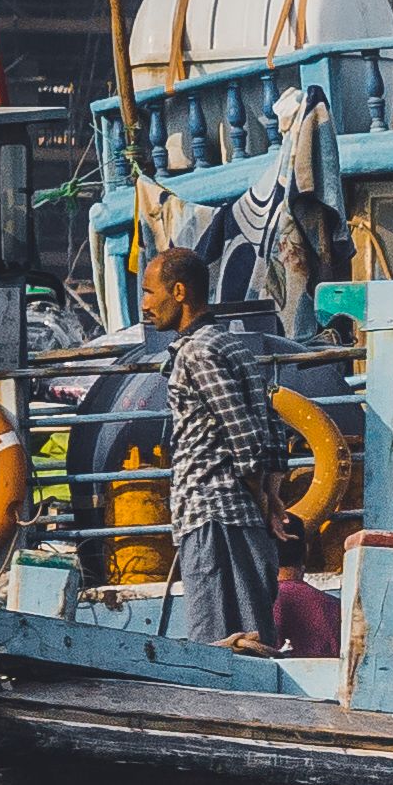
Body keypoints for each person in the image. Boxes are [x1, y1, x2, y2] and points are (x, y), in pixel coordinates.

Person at [145, 242, 291, 653]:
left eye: (150, 292)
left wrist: (263, 498)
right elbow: (273, 425)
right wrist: (272, 498)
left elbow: (243, 436)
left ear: (179, 292)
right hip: (235, 514)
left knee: (216, 641)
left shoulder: (198, 352)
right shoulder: (233, 345)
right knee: (251, 629)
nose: (145, 305)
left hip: (211, 511)